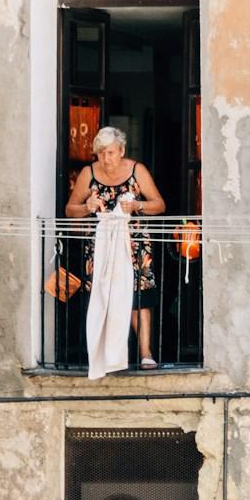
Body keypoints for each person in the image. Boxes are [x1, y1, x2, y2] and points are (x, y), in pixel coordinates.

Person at [65, 125, 168, 370]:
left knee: (138, 296)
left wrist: (137, 207)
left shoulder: (136, 170)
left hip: (134, 245)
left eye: (110, 152)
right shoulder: (88, 173)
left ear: (121, 150)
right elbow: (70, 210)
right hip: (100, 247)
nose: (106, 158)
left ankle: (145, 353)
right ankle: (102, 356)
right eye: (101, 153)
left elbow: (159, 205)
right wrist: (87, 207)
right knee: (103, 297)